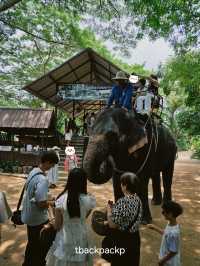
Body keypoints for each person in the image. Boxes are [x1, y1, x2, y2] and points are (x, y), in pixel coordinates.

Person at [46, 168, 96, 266]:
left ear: (69, 180)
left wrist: (51, 214)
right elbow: (83, 217)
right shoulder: (89, 200)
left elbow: (57, 226)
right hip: (82, 237)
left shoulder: (61, 200)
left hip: (64, 238)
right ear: (83, 182)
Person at [21, 151, 59, 266]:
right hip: (37, 218)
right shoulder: (42, 180)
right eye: (52, 164)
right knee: (40, 244)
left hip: (28, 215)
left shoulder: (33, 172)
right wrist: (52, 202)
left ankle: (27, 263)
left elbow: (33, 194)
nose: (52, 167)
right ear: (47, 162)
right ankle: (36, 263)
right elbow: (41, 204)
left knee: (31, 242)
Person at [106, 172, 142, 266]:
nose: (121, 186)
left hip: (122, 241)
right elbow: (128, 216)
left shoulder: (122, 202)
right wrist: (116, 209)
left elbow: (112, 225)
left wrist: (109, 211)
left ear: (125, 186)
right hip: (134, 239)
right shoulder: (138, 199)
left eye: (122, 183)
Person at [147, 201, 183, 266]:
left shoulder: (174, 233)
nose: (162, 213)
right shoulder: (171, 224)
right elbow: (166, 234)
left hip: (169, 262)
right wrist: (155, 228)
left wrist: (162, 261)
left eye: (164, 212)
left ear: (170, 214)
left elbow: (173, 251)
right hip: (166, 259)